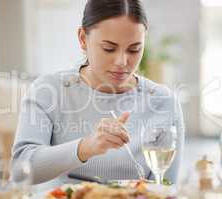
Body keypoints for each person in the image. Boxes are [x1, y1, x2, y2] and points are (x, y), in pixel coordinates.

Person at [12, 0, 184, 187]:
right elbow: (20, 170)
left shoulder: (164, 102)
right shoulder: (47, 91)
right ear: (82, 39)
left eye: (134, 49)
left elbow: (166, 188)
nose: (122, 61)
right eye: (109, 48)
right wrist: (85, 147)